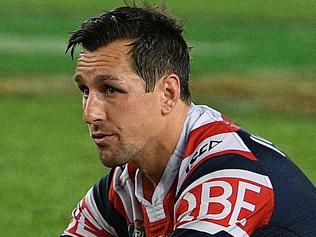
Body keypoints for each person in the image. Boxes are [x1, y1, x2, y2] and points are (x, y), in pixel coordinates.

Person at [60, 4, 316, 237]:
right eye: (85, 91)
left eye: (111, 89)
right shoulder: (126, 186)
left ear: (168, 93)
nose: (90, 114)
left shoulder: (228, 175)